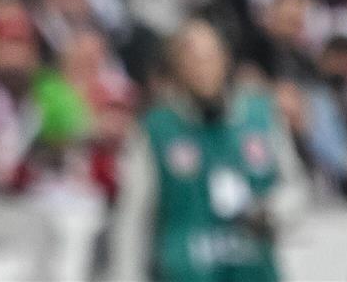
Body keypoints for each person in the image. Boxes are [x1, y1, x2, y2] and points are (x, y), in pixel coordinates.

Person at [107, 20, 308, 282]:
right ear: (177, 67)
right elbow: (133, 217)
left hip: (254, 271)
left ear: (225, 59)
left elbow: (296, 187)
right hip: (186, 272)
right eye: (192, 59)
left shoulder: (261, 117)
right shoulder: (157, 129)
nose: (203, 69)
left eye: (209, 57)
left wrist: (274, 210)